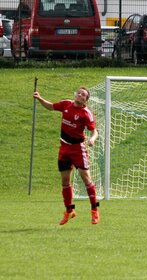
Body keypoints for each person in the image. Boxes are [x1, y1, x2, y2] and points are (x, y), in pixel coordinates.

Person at [33, 87, 100, 225]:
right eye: (79, 92)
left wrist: (92, 139)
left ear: (85, 100)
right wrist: (39, 98)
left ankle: (94, 210)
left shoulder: (86, 113)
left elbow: (94, 132)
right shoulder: (66, 104)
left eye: (83, 95)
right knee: (65, 181)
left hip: (78, 149)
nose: (80, 95)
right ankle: (69, 211)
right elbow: (51, 106)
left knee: (86, 178)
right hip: (64, 149)